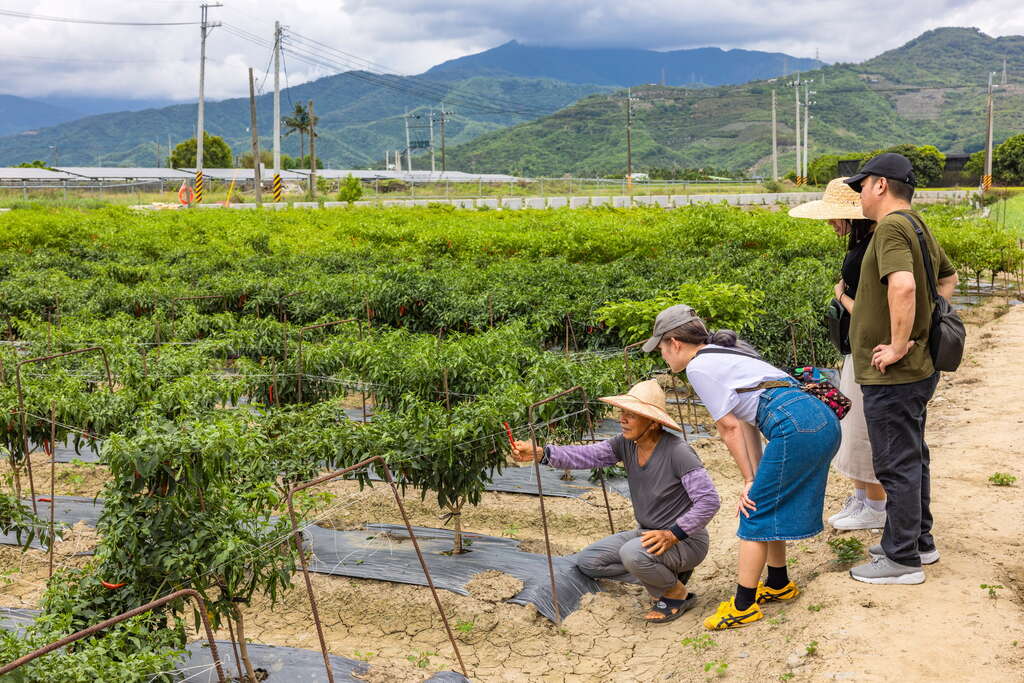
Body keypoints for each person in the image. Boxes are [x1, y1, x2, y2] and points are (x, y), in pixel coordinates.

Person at [644, 305, 840, 630]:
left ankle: (743, 605)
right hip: (817, 418)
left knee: (753, 512)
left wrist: (750, 479)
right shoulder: (725, 354)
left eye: (661, 348)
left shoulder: (700, 367)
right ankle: (778, 583)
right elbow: (747, 422)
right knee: (768, 503)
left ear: (675, 342)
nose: (663, 356)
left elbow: (729, 427)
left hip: (795, 425)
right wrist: (754, 476)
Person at [511, 379, 720, 624]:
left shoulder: (678, 452)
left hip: (686, 540)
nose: (622, 419)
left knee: (632, 554)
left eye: (632, 415)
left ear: (652, 423)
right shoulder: (626, 444)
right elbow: (589, 455)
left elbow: (709, 501)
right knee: (589, 561)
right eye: (622, 412)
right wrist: (541, 453)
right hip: (648, 534)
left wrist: (672, 534)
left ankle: (676, 593)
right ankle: (668, 575)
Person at [843, 153, 958, 584]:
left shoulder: (891, 226)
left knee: (896, 462)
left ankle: (901, 559)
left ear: (880, 185)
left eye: (861, 186)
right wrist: (925, 328)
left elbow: (905, 285)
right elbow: (947, 278)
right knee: (913, 456)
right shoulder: (917, 224)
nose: (859, 195)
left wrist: (895, 344)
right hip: (918, 367)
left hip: (895, 373)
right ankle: (917, 541)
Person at [789, 178, 886, 530]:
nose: (831, 223)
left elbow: (871, 310)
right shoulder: (864, 241)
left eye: (834, 217)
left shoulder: (875, 246)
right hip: (855, 349)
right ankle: (862, 500)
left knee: (862, 429)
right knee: (852, 426)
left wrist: (840, 296)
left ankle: (876, 506)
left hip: (868, 351)